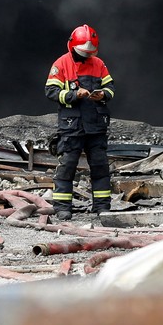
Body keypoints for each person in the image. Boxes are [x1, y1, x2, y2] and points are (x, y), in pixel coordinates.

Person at [44, 24, 116, 220]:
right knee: (67, 166)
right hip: (72, 126)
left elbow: (110, 87)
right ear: (72, 46)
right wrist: (74, 95)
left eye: (89, 53)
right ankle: (62, 208)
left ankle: (102, 207)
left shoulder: (99, 63)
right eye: (83, 53)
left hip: (96, 125)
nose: (86, 57)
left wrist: (102, 94)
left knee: (100, 167)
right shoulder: (61, 64)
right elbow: (51, 91)